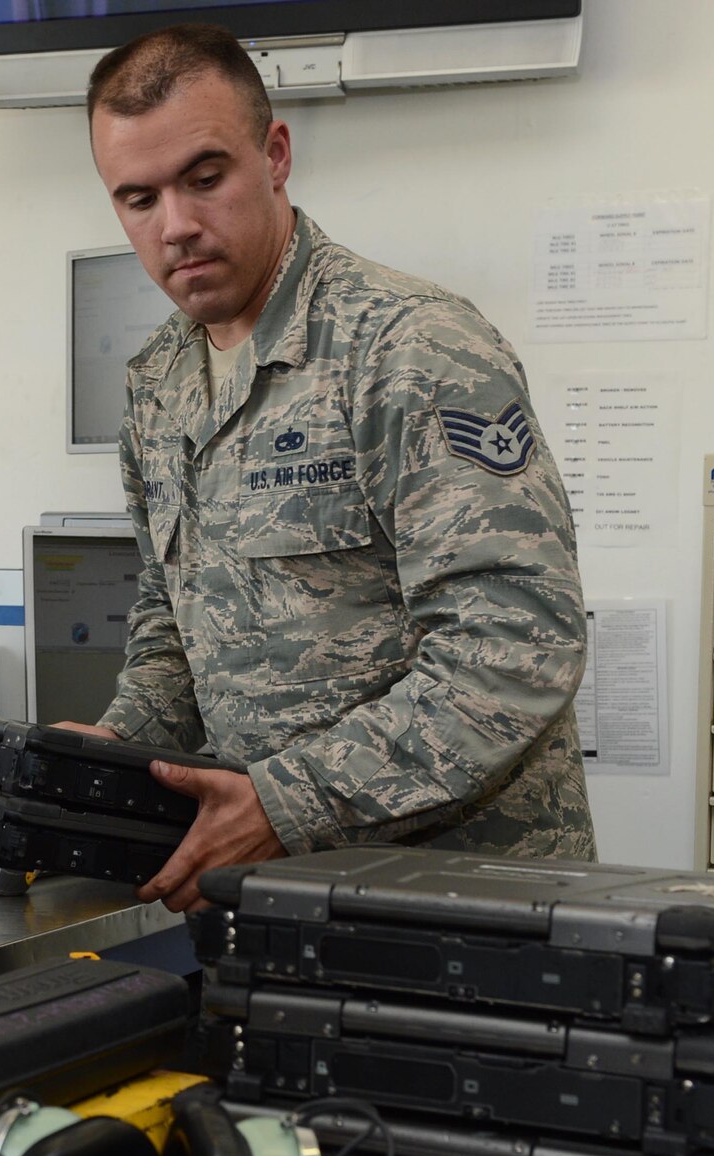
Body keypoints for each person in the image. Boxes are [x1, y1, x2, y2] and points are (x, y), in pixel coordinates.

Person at [65, 24, 596, 912]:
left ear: (274, 155)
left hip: (463, 899)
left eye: (204, 178)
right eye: (138, 198)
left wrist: (287, 802)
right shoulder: (157, 381)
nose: (178, 226)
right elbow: (173, 623)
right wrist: (113, 748)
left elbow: (516, 644)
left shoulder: (411, 347)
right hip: (274, 898)